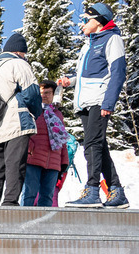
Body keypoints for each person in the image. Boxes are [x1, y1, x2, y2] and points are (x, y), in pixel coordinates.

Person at [58, 3, 130, 208]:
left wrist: (109, 102)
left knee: (91, 145)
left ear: (99, 21)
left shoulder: (112, 39)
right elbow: (83, 75)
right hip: (85, 102)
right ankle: (117, 191)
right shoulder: (87, 44)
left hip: (99, 100)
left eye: (86, 20)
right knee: (99, 147)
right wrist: (69, 81)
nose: (82, 23)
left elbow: (118, 72)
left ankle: (92, 190)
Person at [0, 33, 43, 206]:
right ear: (20, 52)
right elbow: (32, 94)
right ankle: (10, 203)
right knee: (15, 164)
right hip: (16, 122)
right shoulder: (19, 64)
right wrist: (36, 114)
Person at [22, 80, 70, 207]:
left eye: (47, 93)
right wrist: (29, 148)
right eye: (41, 92)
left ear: (54, 94)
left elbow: (62, 140)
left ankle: (43, 225)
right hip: (34, 158)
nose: (44, 95)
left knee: (47, 197)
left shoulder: (58, 115)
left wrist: (64, 161)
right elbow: (25, 132)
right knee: (29, 194)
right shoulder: (32, 110)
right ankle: (22, 224)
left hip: (53, 161)